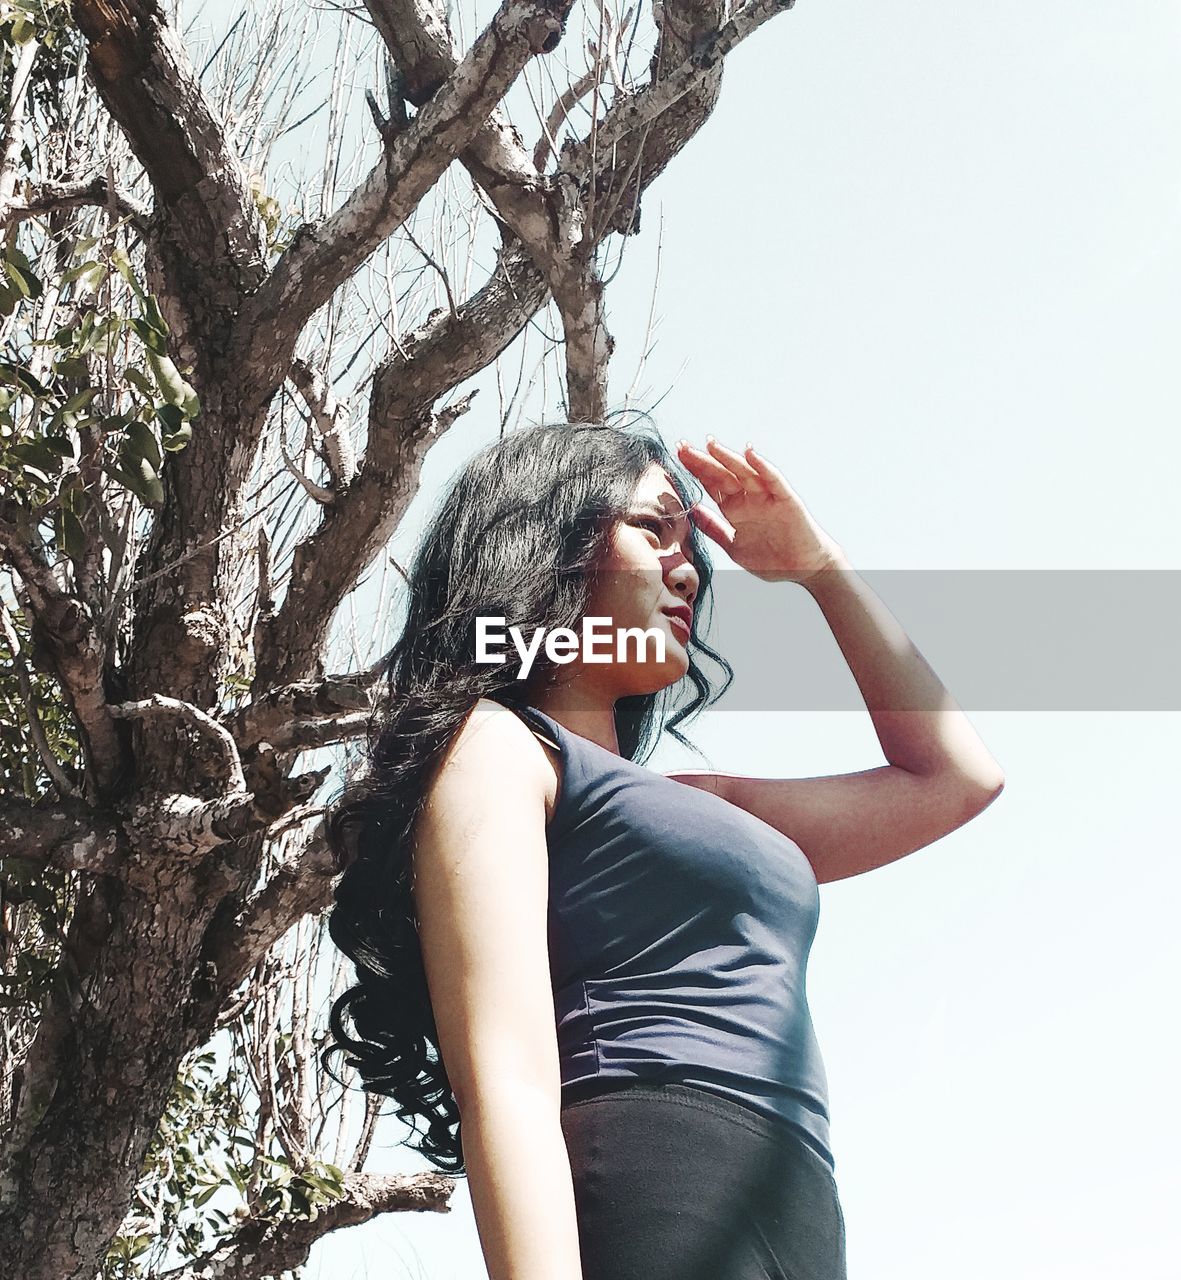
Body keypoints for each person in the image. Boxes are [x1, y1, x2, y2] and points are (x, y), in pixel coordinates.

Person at [323, 418, 1005, 1280]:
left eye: (693, 546)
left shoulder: (702, 804)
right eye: (654, 529)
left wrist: (820, 571)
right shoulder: (500, 748)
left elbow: (956, 779)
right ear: (551, 541)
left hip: (797, 1199)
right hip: (657, 1168)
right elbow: (507, 1081)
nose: (688, 569)